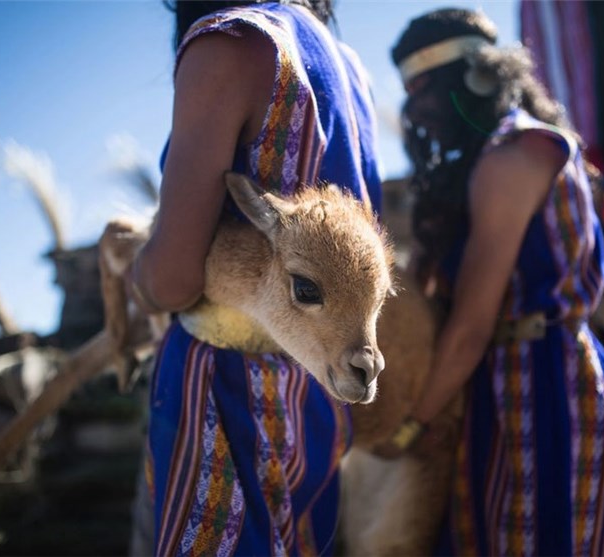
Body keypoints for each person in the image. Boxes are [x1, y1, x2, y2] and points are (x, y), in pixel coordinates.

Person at [128, 1, 382, 554]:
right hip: (316, 395)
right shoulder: (349, 68)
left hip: (225, 391)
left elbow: (171, 281)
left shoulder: (229, 44)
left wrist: (135, 270)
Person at [381, 8, 604, 556]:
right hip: (497, 387)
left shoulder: (517, 155)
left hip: (543, 393)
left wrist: (406, 429)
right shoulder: (490, 159)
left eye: (424, 89)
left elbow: (472, 327)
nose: (416, 110)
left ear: (472, 78)